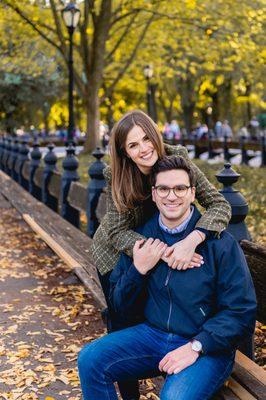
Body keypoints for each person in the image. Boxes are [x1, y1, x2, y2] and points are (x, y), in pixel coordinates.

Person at [78, 156, 256, 400]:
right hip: (153, 336)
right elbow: (120, 308)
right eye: (163, 188)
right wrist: (138, 271)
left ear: (193, 193)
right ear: (153, 194)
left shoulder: (219, 244)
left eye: (180, 188)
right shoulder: (142, 239)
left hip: (206, 346)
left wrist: (197, 346)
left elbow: (240, 310)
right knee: (90, 360)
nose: (171, 196)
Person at [91, 110, 231, 399]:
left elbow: (220, 205)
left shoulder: (177, 161)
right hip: (116, 256)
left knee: (152, 316)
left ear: (154, 135)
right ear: (124, 152)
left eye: (145, 138)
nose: (143, 149)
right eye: (132, 145)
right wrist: (165, 252)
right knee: (122, 323)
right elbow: (117, 233)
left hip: (159, 247)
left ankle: (176, 370)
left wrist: (193, 239)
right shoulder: (119, 175)